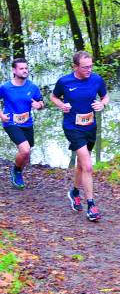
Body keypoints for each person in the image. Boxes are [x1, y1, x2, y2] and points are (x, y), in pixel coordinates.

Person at [50, 51, 109, 222]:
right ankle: (91, 205)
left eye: (91, 66)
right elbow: (53, 97)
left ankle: (74, 192)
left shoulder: (96, 79)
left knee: (82, 165)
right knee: (88, 166)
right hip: (72, 127)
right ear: (75, 67)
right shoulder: (65, 81)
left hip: (90, 126)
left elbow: (105, 96)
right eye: (85, 67)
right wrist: (62, 105)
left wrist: (102, 104)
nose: (89, 69)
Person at [0, 58, 44, 189]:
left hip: (27, 123)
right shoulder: (5, 87)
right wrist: (1, 115)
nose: (25, 71)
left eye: (26, 68)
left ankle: (18, 169)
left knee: (27, 153)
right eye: (21, 68)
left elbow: (41, 102)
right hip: (11, 123)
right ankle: (16, 172)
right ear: (14, 70)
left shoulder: (32, 87)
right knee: (25, 150)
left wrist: (39, 105)